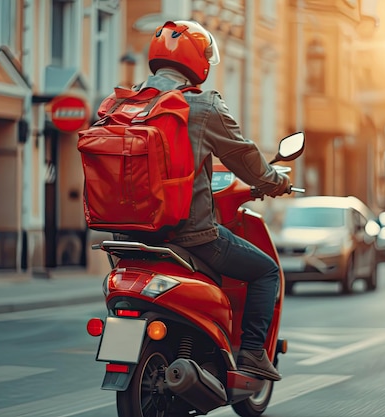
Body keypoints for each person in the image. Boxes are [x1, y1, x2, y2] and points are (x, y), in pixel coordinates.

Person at [143, 20, 289, 381]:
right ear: (198, 62)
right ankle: (253, 353)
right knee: (266, 270)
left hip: (134, 235)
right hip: (190, 235)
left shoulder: (128, 101)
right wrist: (275, 181)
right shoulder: (202, 106)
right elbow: (244, 157)